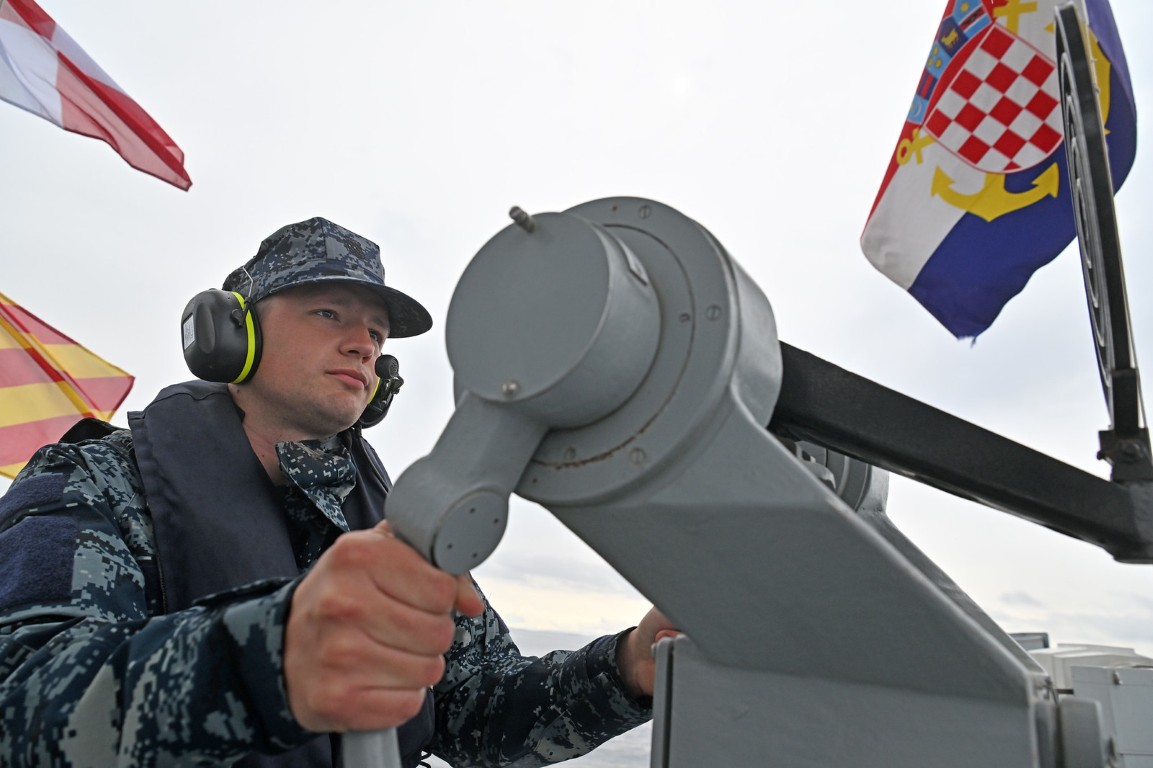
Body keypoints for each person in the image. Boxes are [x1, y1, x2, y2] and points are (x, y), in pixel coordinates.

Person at [0, 217, 675, 767]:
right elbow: (21, 708)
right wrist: (270, 660)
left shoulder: (396, 521)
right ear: (230, 332)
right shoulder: (93, 481)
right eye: (329, 313)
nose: (364, 346)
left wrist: (628, 667)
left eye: (377, 334)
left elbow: (477, 709)